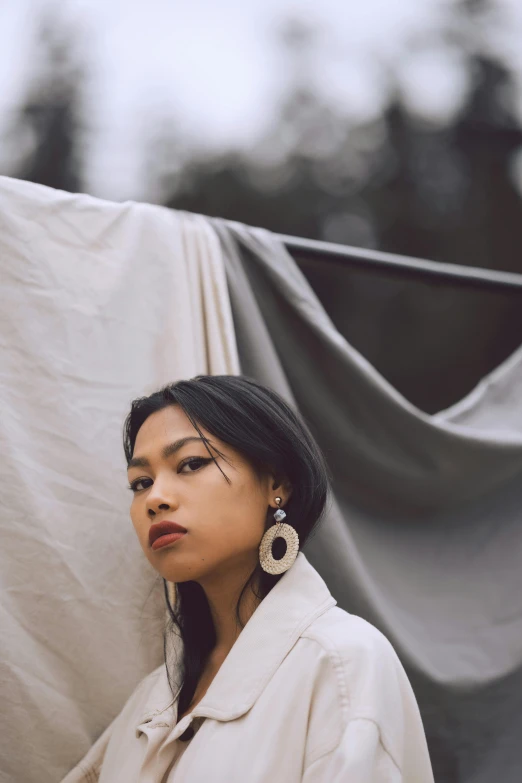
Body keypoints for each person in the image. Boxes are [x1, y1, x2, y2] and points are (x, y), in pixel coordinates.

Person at [61, 374, 435, 783]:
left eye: (191, 463)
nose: (155, 499)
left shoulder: (342, 663)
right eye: (141, 482)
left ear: (276, 484)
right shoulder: (150, 701)